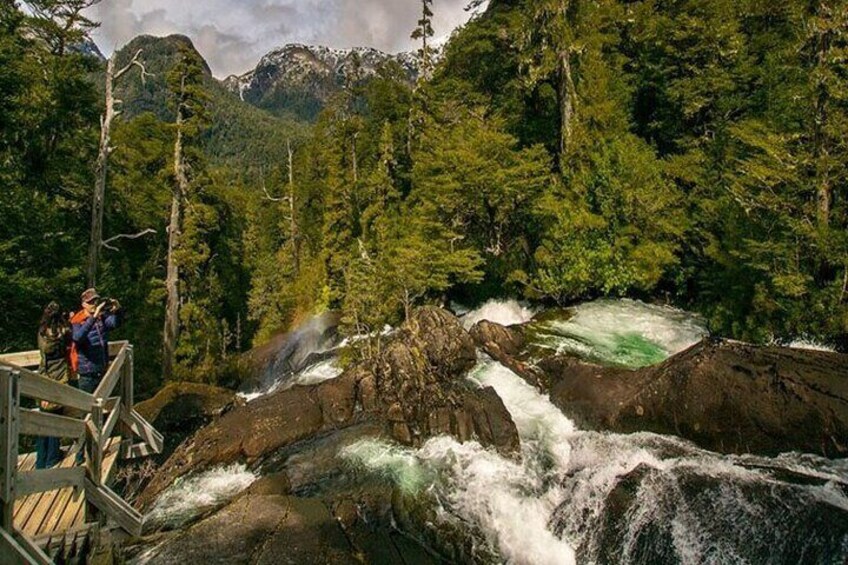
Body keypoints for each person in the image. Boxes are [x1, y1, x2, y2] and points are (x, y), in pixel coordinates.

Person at [36, 302, 71, 469]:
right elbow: (70, 337)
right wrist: (67, 320)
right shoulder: (60, 333)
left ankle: (41, 460)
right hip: (58, 377)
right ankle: (52, 458)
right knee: (56, 420)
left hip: (43, 375)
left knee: (43, 422)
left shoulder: (42, 332)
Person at [70, 288, 122, 395]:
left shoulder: (101, 317)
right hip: (87, 372)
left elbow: (114, 324)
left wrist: (118, 310)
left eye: (95, 301)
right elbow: (77, 338)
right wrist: (93, 318)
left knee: (103, 404)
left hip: (102, 369)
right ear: (83, 304)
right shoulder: (77, 320)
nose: (93, 304)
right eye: (90, 302)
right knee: (86, 406)